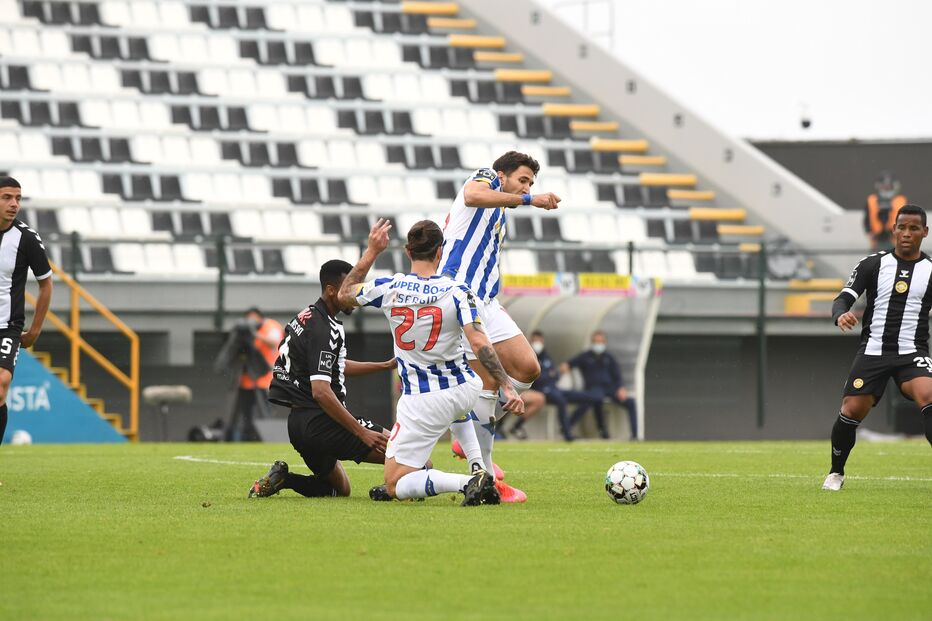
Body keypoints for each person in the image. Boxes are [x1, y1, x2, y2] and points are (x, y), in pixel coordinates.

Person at [337, 219, 525, 505]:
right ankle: (480, 468)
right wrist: (506, 385)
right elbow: (479, 343)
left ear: (408, 251)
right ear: (441, 251)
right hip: (465, 388)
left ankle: (469, 482)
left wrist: (373, 251)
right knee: (459, 409)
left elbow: (344, 295)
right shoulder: (460, 291)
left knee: (395, 483)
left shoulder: (390, 287)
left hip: (424, 398)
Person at [440, 150, 561, 502]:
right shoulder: (485, 178)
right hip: (459, 297)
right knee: (489, 380)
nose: (527, 186)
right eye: (522, 179)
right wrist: (528, 199)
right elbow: (472, 195)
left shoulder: (499, 214)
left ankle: (468, 436)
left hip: (487, 302)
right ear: (503, 175)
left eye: (531, 183)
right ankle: (487, 476)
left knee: (527, 368)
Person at [247, 259, 396, 499]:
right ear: (330, 290)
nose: (356, 296)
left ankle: (285, 478)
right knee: (415, 460)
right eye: (350, 289)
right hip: (322, 422)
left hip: (298, 425)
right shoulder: (323, 328)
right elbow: (321, 391)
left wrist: (383, 365)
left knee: (339, 489)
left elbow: (334, 367)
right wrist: (361, 432)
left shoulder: (307, 317)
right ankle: (393, 491)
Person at [825, 204, 932, 491]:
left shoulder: (931, 270)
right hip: (873, 352)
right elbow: (842, 299)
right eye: (902, 227)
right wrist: (840, 315)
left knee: (930, 396)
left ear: (924, 232)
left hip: (913, 353)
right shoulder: (872, 264)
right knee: (851, 410)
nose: (906, 233)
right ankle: (836, 473)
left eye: (913, 228)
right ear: (893, 229)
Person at [0, 177, 52, 445]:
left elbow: (46, 285)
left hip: (7, 326)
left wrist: (34, 330)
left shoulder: (27, 239)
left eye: (18, 198)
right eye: (7, 197)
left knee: (1, 383)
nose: (14, 204)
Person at [562, 331, 638, 440]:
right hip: (593, 389)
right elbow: (568, 364)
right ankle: (567, 426)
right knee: (594, 398)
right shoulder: (585, 356)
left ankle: (634, 435)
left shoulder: (609, 358)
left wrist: (620, 388)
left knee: (631, 403)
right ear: (592, 342)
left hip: (610, 389)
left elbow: (617, 375)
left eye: (601, 342)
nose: (598, 344)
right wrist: (565, 367)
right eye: (596, 342)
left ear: (605, 342)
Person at [225, 307, 283, 441]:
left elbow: (274, 343)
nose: (250, 322)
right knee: (245, 416)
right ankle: (247, 438)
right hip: (246, 380)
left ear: (260, 318)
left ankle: (268, 438)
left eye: (253, 319)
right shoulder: (243, 332)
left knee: (265, 413)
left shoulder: (270, 326)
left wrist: (255, 334)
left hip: (265, 378)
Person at [509, 330, 578, 441]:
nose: (537, 344)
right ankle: (567, 433)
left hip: (551, 388)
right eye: (535, 341)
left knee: (578, 396)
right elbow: (535, 376)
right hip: (535, 389)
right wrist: (548, 375)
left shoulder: (546, 356)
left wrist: (550, 375)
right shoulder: (527, 354)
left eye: (539, 341)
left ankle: (567, 429)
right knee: (559, 400)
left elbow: (554, 375)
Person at [864, 171, 907, 250]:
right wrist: (869, 232)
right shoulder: (871, 200)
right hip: (876, 240)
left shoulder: (901, 200)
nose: (887, 189)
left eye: (889, 186)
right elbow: (866, 219)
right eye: (884, 186)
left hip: (895, 240)